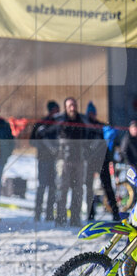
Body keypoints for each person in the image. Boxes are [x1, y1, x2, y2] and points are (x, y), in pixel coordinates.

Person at [54, 97, 91, 226]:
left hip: (79, 161)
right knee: (62, 190)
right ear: (66, 107)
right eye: (70, 105)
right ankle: (60, 218)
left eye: (74, 105)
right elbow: (53, 136)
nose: (72, 108)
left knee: (78, 191)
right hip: (64, 160)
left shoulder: (82, 120)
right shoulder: (60, 120)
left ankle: (75, 218)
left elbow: (88, 137)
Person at [84, 102, 121, 221]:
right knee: (89, 188)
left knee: (108, 187)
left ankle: (115, 213)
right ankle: (90, 213)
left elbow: (110, 139)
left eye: (93, 113)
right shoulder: (85, 127)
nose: (92, 115)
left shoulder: (101, 126)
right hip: (89, 161)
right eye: (90, 113)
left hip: (102, 161)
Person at [30, 101, 60, 222]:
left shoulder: (60, 124)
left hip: (55, 160)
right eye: (55, 110)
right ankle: (37, 214)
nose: (57, 113)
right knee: (42, 186)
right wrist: (41, 139)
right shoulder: (41, 124)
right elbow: (32, 141)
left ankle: (49, 214)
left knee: (53, 187)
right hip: (43, 160)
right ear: (50, 110)